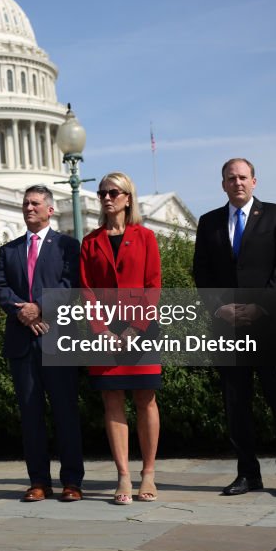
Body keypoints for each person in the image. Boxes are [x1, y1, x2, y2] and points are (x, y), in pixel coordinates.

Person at [192, 158, 276, 497]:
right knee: (236, 403)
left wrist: (260, 306)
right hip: (227, 326)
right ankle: (247, 474)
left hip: (268, 324)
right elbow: (202, 272)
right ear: (222, 184)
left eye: (243, 177)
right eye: (230, 178)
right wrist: (220, 307)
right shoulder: (208, 222)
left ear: (254, 181)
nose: (237, 182)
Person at [0, 185, 84, 502]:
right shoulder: (10, 250)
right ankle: (38, 481)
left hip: (58, 338)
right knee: (30, 415)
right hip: (22, 341)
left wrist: (42, 308)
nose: (28, 208)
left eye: (35, 203)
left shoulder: (68, 246)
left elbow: (72, 285)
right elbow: (1, 288)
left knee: (65, 413)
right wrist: (25, 314)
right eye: (25, 203)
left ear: (50, 209)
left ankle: (72, 481)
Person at [79, 172, 162, 505]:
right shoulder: (90, 241)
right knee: (112, 402)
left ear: (128, 197)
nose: (107, 198)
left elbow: (153, 286)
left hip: (141, 329)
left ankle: (149, 473)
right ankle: (124, 476)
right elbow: (86, 290)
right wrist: (103, 331)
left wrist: (134, 329)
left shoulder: (146, 237)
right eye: (102, 193)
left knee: (146, 400)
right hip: (104, 333)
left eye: (114, 192)